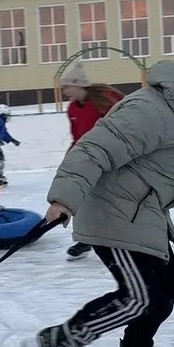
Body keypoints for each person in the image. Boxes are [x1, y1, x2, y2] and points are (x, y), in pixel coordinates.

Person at [22, 56, 174, 347]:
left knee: (166, 289)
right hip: (112, 212)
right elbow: (92, 149)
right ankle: (61, 340)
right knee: (140, 296)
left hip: (140, 214)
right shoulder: (148, 111)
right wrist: (63, 199)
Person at [58, 61, 124, 259]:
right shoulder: (72, 110)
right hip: (91, 160)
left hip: (116, 158)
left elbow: (129, 120)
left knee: (117, 201)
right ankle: (86, 240)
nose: (65, 92)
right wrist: (70, 159)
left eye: (67, 87)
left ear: (78, 85)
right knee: (85, 199)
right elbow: (77, 138)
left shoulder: (105, 99)